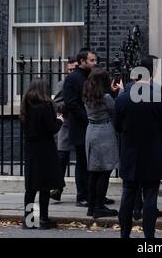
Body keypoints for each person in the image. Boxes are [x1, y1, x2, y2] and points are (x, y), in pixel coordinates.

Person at [115, 57, 162, 238]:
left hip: (130, 153)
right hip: (153, 153)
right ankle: (149, 236)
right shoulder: (159, 98)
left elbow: (116, 126)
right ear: (152, 73)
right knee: (150, 196)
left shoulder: (123, 98)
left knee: (128, 195)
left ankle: (124, 234)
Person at [20, 78, 64, 230]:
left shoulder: (26, 105)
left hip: (31, 150)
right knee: (44, 186)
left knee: (31, 187)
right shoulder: (45, 107)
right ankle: (43, 219)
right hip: (44, 150)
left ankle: (29, 219)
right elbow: (52, 129)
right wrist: (59, 120)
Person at [83, 68, 119, 218]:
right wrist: (116, 93)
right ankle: (99, 206)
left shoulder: (87, 95)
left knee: (93, 172)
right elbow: (115, 112)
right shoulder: (106, 98)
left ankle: (91, 206)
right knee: (104, 171)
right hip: (104, 132)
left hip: (91, 131)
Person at [63, 48, 96, 207]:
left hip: (92, 126)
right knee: (83, 163)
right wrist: (88, 119)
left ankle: (94, 195)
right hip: (81, 127)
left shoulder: (90, 76)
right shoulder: (73, 78)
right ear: (82, 61)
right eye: (92, 60)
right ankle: (82, 196)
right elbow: (71, 103)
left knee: (94, 163)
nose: (95, 63)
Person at [50, 58, 78, 202]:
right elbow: (56, 104)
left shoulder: (83, 82)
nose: (72, 72)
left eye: (74, 69)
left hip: (81, 124)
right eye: (70, 70)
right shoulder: (62, 84)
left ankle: (83, 194)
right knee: (62, 158)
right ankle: (57, 188)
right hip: (66, 124)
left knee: (83, 161)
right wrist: (68, 106)